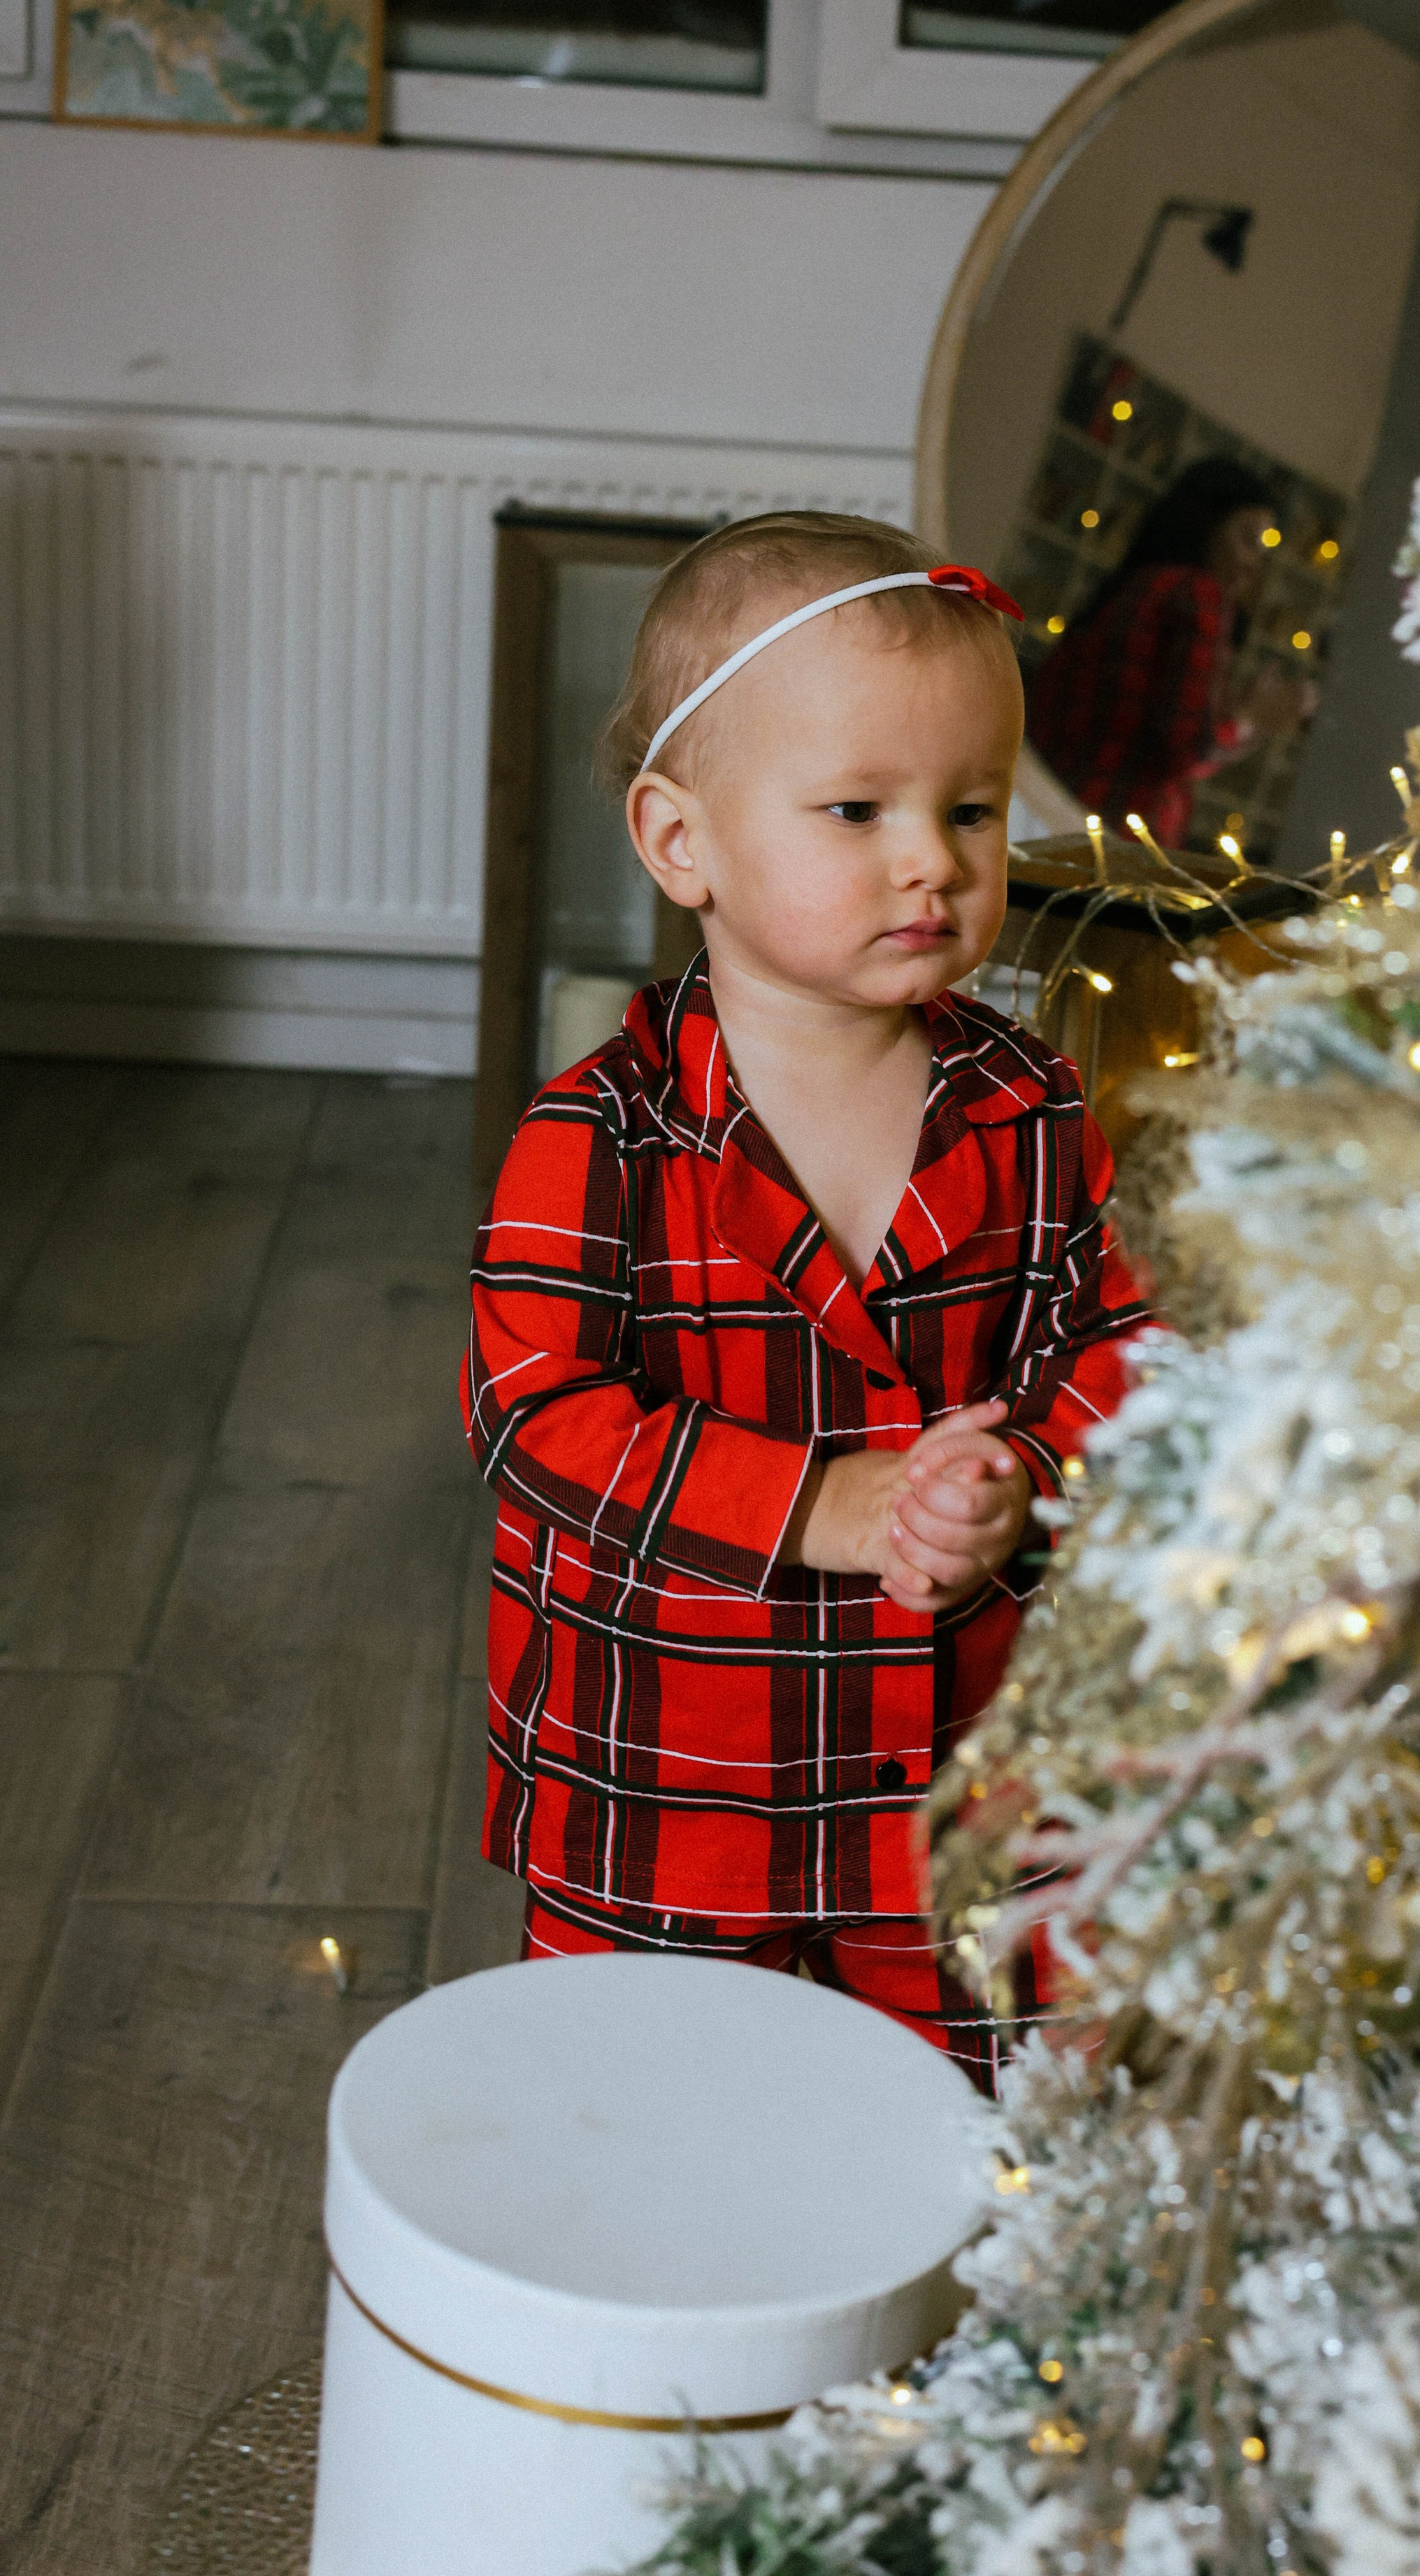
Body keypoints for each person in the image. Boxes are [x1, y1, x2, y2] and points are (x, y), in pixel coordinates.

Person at [461, 512, 1154, 2092]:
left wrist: (1024, 1472)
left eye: (969, 809)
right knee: (644, 2123)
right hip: (669, 1801)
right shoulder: (601, 1134)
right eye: (857, 808)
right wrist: (824, 1503)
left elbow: (1121, 1342)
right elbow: (536, 1415)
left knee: (954, 2131)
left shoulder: (1028, 1108)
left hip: (954, 1791)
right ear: (678, 839)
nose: (931, 858)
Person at [1025, 453, 1314, 849]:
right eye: (1248, 539)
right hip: (1114, 844)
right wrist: (1251, 720)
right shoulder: (1200, 594)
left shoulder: (1137, 586)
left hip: (1048, 816)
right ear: (1207, 525)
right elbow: (1188, 750)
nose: (1254, 565)